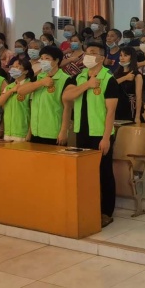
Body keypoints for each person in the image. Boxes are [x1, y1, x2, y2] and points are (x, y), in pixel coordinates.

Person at [62, 41, 118, 227]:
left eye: (92, 53)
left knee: (104, 173)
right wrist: (87, 84)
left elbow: (111, 112)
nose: (87, 56)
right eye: (86, 52)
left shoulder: (108, 79)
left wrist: (106, 138)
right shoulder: (79, 77)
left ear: (101, 58)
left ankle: (106, 212)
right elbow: (67, 97)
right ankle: (89, 207)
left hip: (100, 134)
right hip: (82, 132)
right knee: (86, 173)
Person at [16, 46, 71, 145]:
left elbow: (67, 108)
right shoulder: (39, 77)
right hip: (36, 131)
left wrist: (63, 131)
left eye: (47, 58)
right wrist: (41, 82)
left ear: (56, 60)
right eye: (41, 58)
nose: (43, 61)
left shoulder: (66, 79)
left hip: (53, 132)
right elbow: (21, 91)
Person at [0, 59, 34, 142]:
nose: (14, 69)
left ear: (26, 71)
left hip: (22, 132)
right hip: (8, 131)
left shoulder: (30, 87)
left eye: (17, 67)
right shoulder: (9, 87)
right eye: (13, 66)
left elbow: (33, 112)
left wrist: (29, 133)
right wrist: (11, 90)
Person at [113, 47, 143, 122]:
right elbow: (111, 84)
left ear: (131, 57)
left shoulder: (137, 75)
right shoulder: (116, 73)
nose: (122, 58)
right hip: (116, 105)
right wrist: (125, 78)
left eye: (125, 55)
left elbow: (138, 97)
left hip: (129, 107)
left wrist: (137, 116)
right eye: (121, 55)